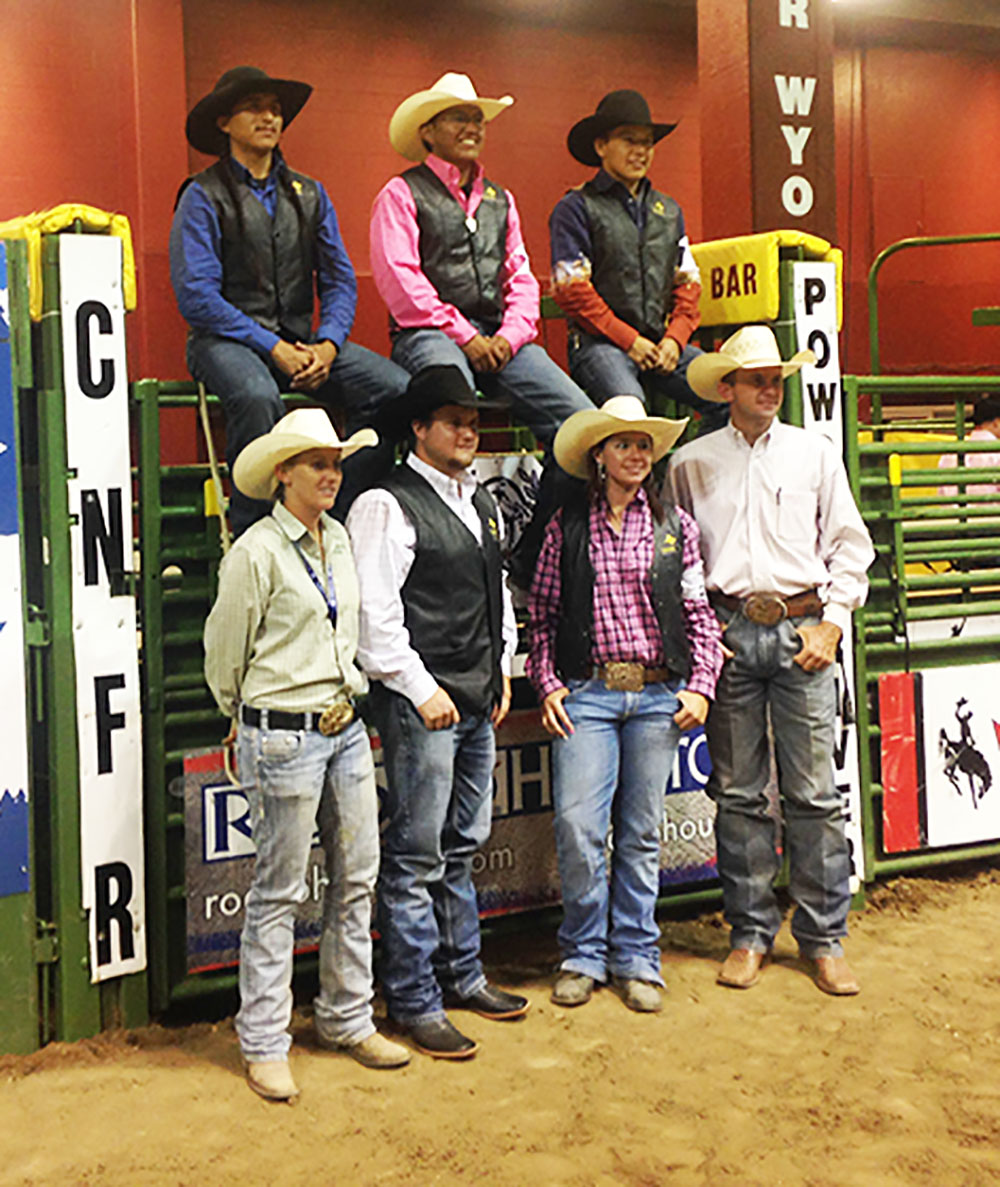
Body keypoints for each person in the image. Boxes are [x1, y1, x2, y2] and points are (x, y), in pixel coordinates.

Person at [204, 408, 410, 1103]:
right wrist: (241, 712)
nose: (331, 473)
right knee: (280, 886)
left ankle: (346, 1015)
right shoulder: (256, 551)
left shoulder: (340, 538)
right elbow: (224, 651)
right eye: (317, 463)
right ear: (282, 473)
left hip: (343, 723)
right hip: (285, 730)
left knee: (358, 874)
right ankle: (264, 1039)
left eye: (335, 462)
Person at [667, 326, 875, 996]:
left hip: (799, 628)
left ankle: (822, 936)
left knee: (813, 793)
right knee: (738, 793)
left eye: (775, 378)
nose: (769, 388)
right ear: (726, 388)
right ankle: (750, 930)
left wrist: (833, 625)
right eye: (756, 378)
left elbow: (850, 545)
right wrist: (704, 633)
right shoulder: (691, 464)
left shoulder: (815, 455)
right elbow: (679, 562)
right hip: (730, 628)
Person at [346, 366, 528, 1060]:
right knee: (419, 852)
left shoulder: (476, 499)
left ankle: (462, 974)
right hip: (425, 701)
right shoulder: (386, 505)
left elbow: (497, 591)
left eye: (472, 419)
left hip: (472, 694)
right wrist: (422, 688)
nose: (467, 429)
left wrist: (501, 668)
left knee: (459, 842)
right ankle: (415, 996)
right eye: (453, 420)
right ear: (418, 429)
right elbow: (374, 616)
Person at [527, 396, 723, 1013]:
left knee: (639, 832)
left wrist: (702, 682)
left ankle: (636, 953)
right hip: (586, 693)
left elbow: (697, 612)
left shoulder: (676, 529)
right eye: (623, 445)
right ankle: (584, 950)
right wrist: (548, 681)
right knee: (580, 828)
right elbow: (543, 615)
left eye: (643, 445)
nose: (635, 455)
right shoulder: (567, 527)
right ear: (599, 457)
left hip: (657, 691)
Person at [369, 71, 594, 580]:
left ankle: (535, 554)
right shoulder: (401, 193)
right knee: (453, 402)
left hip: (498, 336)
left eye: (476, 118)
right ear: (428, 132)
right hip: (427, 334)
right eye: (458, 117)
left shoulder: (501, 199)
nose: (472, 126)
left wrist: (509, 335)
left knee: (581, 426)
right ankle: (442, 550)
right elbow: (401, 280)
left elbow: (521, 275)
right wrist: (465, 336)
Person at [171, 65, 408, 536]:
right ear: (224, 122)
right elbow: (196, 296)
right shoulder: (202, 195)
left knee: (395, 388)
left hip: (303, 343)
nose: (269, 118)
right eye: (255, 108)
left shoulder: (310, 194)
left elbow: (340, 280)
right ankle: (256, 537)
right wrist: (269, 345)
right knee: (259, 396)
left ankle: (336, 520)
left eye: (275, 110)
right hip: (222, 342)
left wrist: (329, 345)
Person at [549, 90, 726, 434]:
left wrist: (674, 339)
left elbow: (688, 283)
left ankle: (684, 479)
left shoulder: (669, 211)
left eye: (647, 142)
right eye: (629, 140)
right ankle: (642, 486)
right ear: (601, 146)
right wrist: (631, 340)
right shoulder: (574, 208)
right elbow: (573, 292)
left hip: (660, 344)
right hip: (598, 346)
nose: (641, 151)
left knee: (731, 392)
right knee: (629, 410)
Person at [937, 393, 1000, 496]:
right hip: (988, 511)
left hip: (952, 511)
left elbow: (941, 493)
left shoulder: (950, 454)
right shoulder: (997, 453)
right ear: (996, 423)